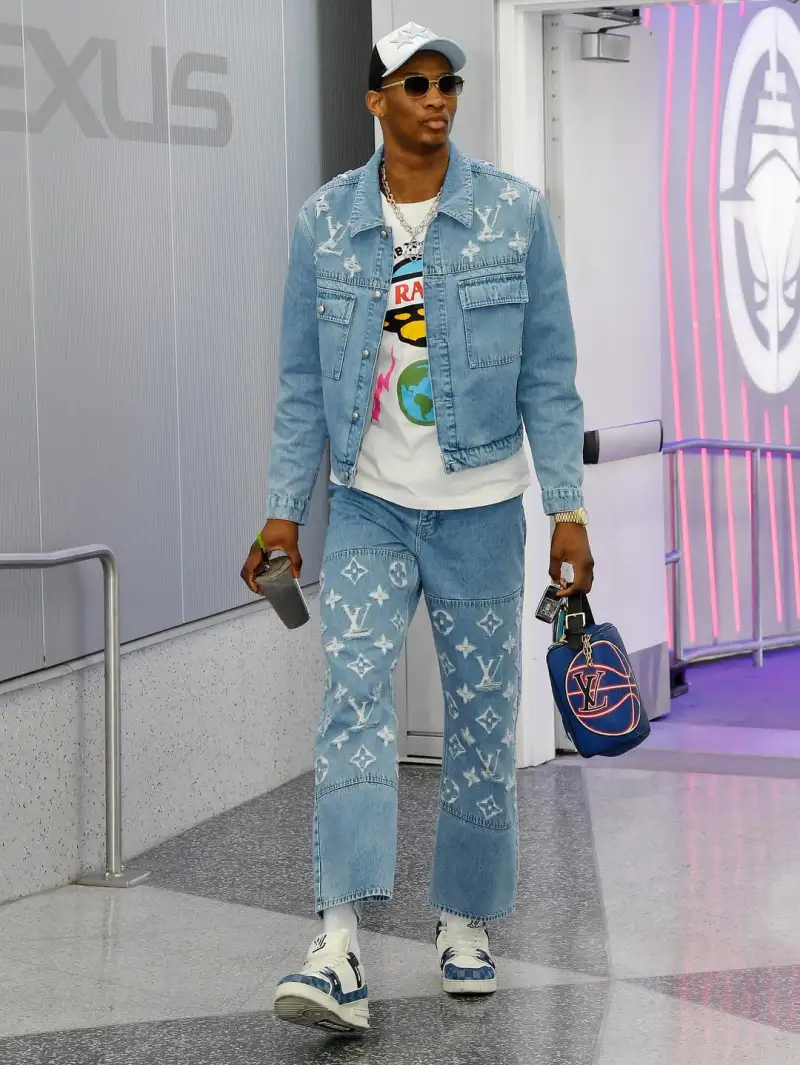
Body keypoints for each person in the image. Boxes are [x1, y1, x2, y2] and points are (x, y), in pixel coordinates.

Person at [240, 21, 594, 1035]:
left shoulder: (513, 215)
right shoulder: (325, 223)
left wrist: (566, 508)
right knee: (352, 699)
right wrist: (282, 506)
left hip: (480, 508)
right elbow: (301, 380)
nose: (437, 98)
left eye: (448, 83)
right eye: (415, 83)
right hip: (367, 504)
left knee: (482, 716)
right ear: (376, 100)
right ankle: (337, 941)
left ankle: (463, 919)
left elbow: (549, 374)